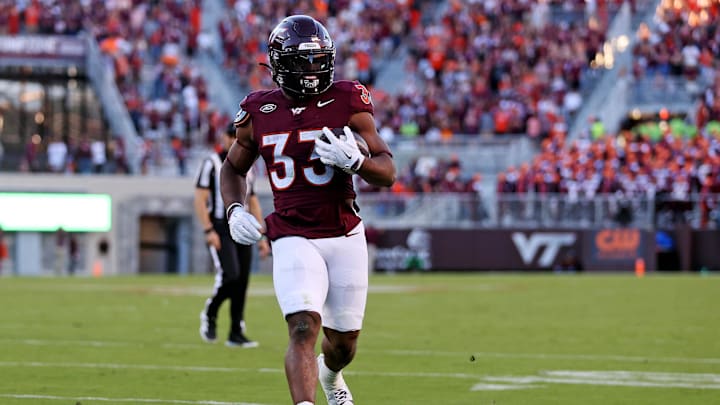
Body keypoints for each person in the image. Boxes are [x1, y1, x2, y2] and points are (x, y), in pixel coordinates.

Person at [220, 15, 396, 405]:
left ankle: (331, 375)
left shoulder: (347, 99)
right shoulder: (259, 110)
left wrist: (357, 164)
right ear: (279, 63)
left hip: (344, 233)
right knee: (302, 327)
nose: (313, 70)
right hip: (292, 233)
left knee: (344, 345)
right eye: (303, 61)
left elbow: (388, 171)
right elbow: (233, 168)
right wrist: (234, 209)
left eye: (319, 59)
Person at [194, 123, 270, 348]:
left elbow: (253, 201)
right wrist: (208, 229)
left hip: (243, 225)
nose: (232, 140)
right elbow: (200, 199)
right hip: (220, 225)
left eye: (235, 136)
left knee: (243, 280)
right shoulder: (212, 163)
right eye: (229, 136)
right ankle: (211, 312)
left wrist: (262, 236)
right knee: (231, 275)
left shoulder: (250, 166)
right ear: (223, 138)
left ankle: (236, 331)